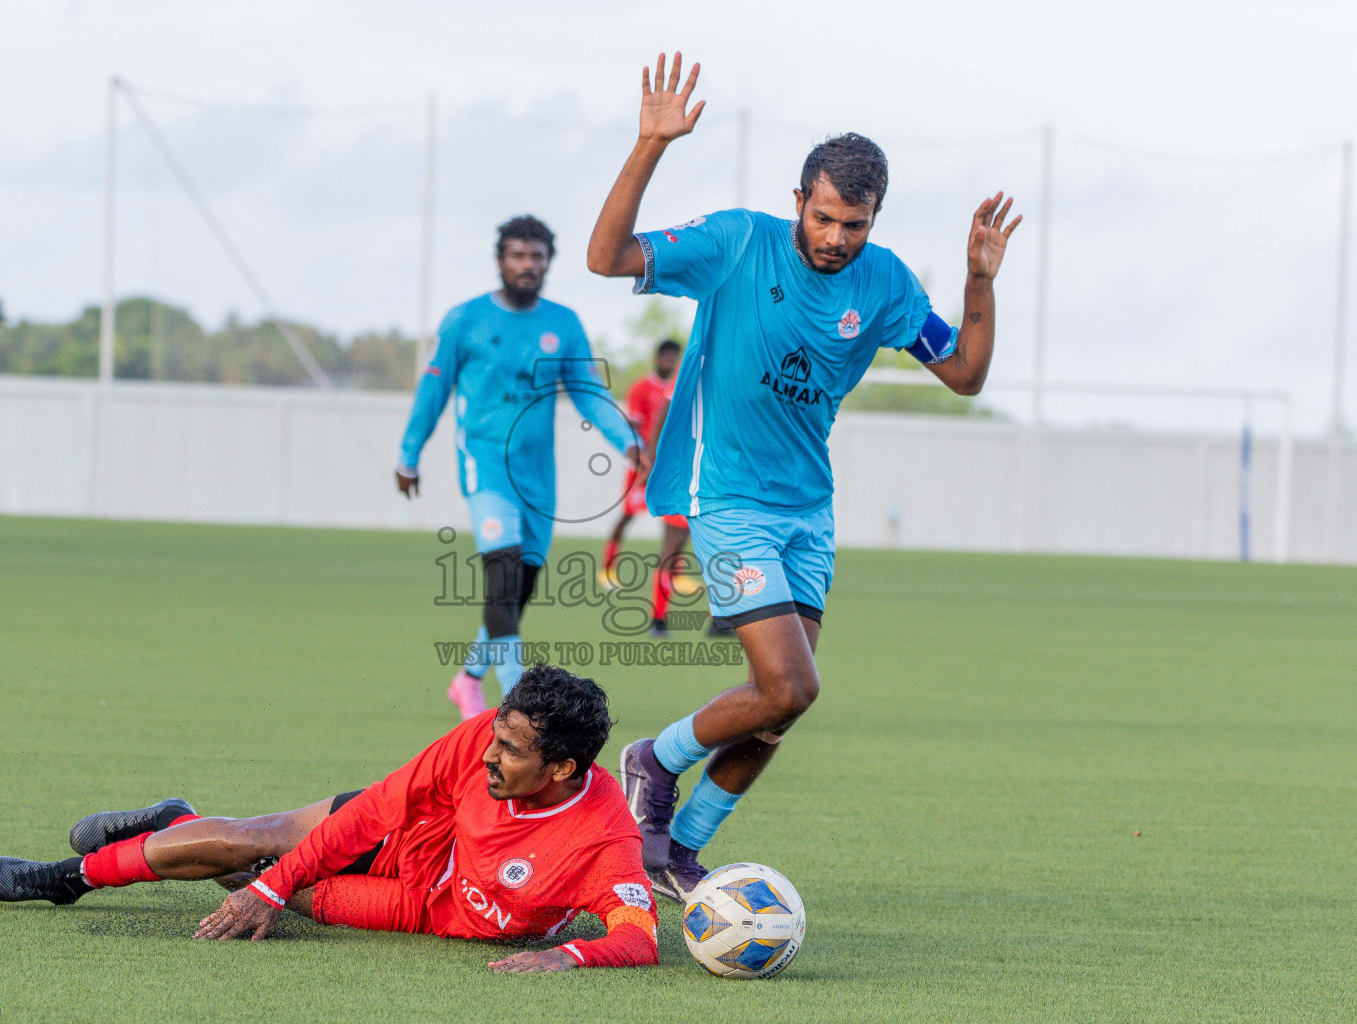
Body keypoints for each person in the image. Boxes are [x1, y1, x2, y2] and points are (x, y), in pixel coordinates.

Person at [586, 53, 1021, 898]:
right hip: (728, 497)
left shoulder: (886, 283)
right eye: (823, 218)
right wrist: (650, 147)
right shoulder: (739, 243)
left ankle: (679, 848)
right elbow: (607, 257)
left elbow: (965, 373)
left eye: (854, 225)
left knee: (783, 704)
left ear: (874, 220)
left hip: (807, 513)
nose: (835, 239)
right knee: (790, 681)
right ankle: (654, 759)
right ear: (799, 202)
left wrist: (977, 279)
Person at [0, 666, 659, 973]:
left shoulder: (604, 836)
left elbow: (637, 939)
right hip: (413, 833)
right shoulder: (477, 738)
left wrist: (566, 956)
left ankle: (180, 821)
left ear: (565, 769)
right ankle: (68, 879)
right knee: (257, 843)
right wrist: (272, 886)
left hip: (424, 908)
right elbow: (376, 813)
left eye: (510, 751)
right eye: (494, 735)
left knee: (255, 879)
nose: (488, 753)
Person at [397, 216, 641, 719]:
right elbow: (433, 392)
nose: (528, 265)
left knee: (520, 586)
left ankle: (467, 680)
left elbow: (590, 396)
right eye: (518, 256)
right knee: (502, 571)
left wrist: (629, 442)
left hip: (538, 475)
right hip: (485, 463)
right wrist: (409, 453)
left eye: (537, 256)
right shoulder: (465, 320)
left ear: (548, 262)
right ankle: (515, 701)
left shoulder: (564, 324)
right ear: (500, 260)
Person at [599, 338, 691, 636]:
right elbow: (635, 424)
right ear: (656, 357)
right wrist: (645, 456)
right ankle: (608, 568)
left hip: (679, 469)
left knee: (681, 540)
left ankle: (666, 614)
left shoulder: (690, 377)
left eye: (673, 357)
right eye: (664, 356)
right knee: (627, 516)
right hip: (647, 464)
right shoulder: (643, 387)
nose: (669, 361)